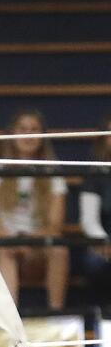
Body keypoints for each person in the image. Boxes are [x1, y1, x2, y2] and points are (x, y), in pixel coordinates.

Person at [0, 108, 68, 310]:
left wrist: (29, 241)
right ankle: (10, 319)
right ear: (12, 133)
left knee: (59, 251)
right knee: (5, 251)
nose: (29, 135)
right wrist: (12, 240)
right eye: (23, 129)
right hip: (2, 239)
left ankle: (56, 313)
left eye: (35, 130)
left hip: (36, 241)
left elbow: (55, 223)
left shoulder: (52, 171)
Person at [77, 114, 111, 306]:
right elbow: (88, 220)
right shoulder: (95, 174)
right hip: (106, 243)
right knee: (95, 262)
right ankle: (103, 317)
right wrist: (104, 242)